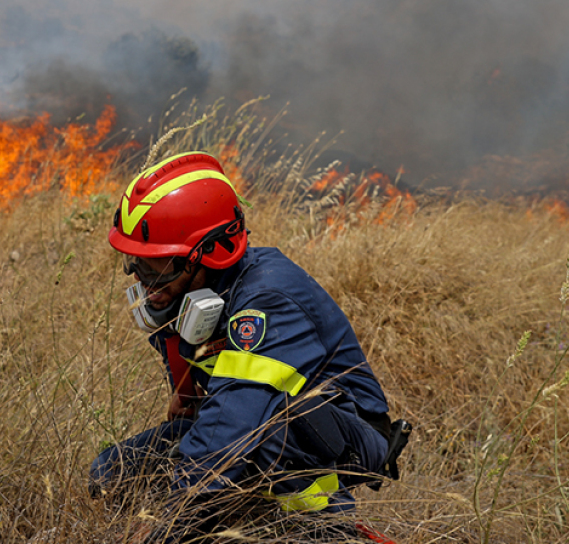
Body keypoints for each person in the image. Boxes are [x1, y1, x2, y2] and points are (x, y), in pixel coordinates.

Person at [91, 151, 406, 541]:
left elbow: (226, 433)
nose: (144, 282)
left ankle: (325, 530)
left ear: (212, 254)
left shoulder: (267, 302)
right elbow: (205, 406)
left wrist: (166, 528)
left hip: (336, 434)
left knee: (276, 431)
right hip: (252, 418)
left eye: (159, 267)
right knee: (110, 473)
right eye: (136, 263)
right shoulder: (187, 295)